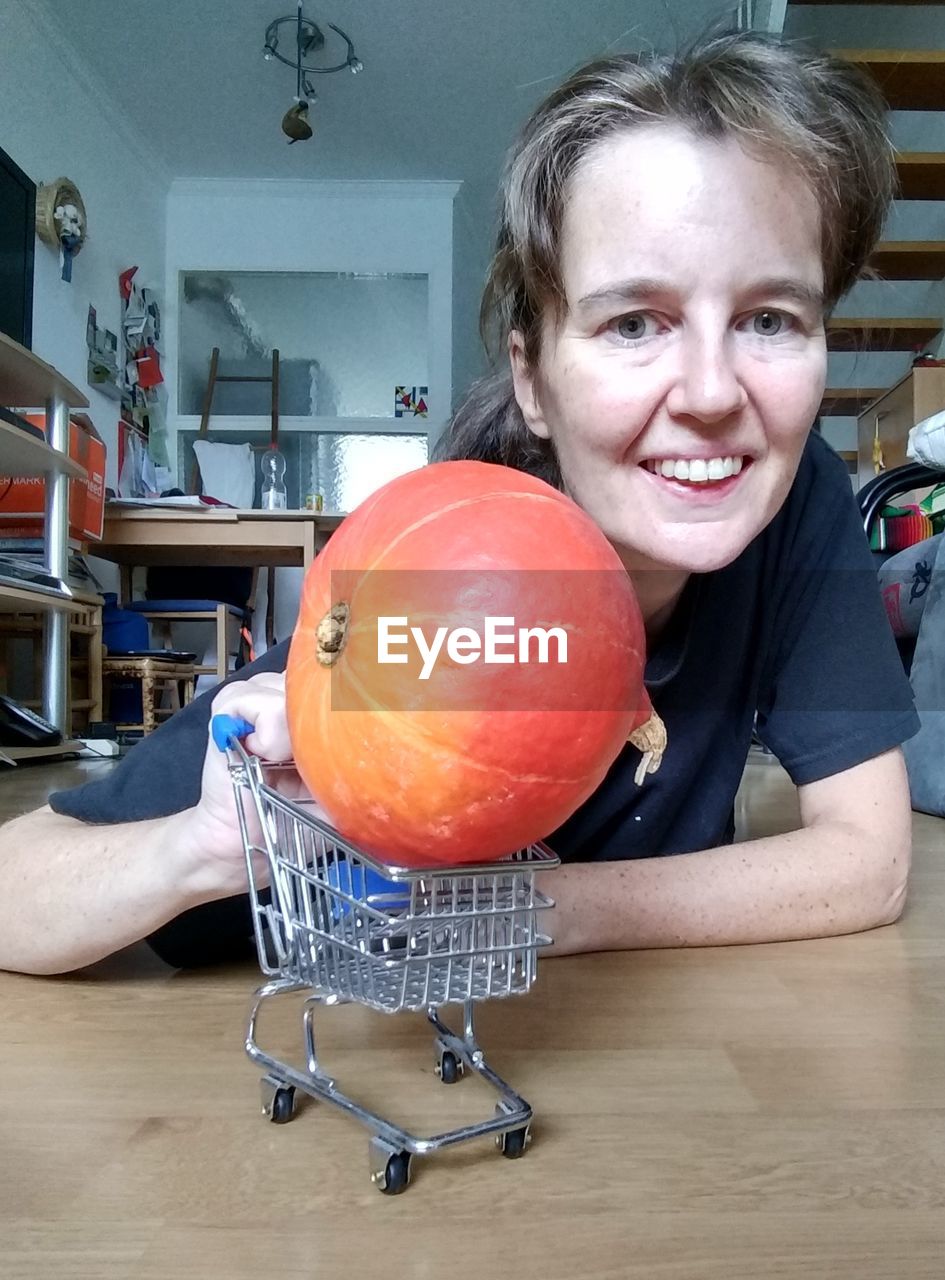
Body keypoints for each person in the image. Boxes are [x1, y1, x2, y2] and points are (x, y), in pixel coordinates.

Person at [0, 30, 918, 975]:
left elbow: (868, 860)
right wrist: (194, 850)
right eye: (633, 323)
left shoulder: (788, 490)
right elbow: (14, 887)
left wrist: (535, 907)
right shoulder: (434, 578)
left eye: (769, 319)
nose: (713, 393)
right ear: (532, 379)